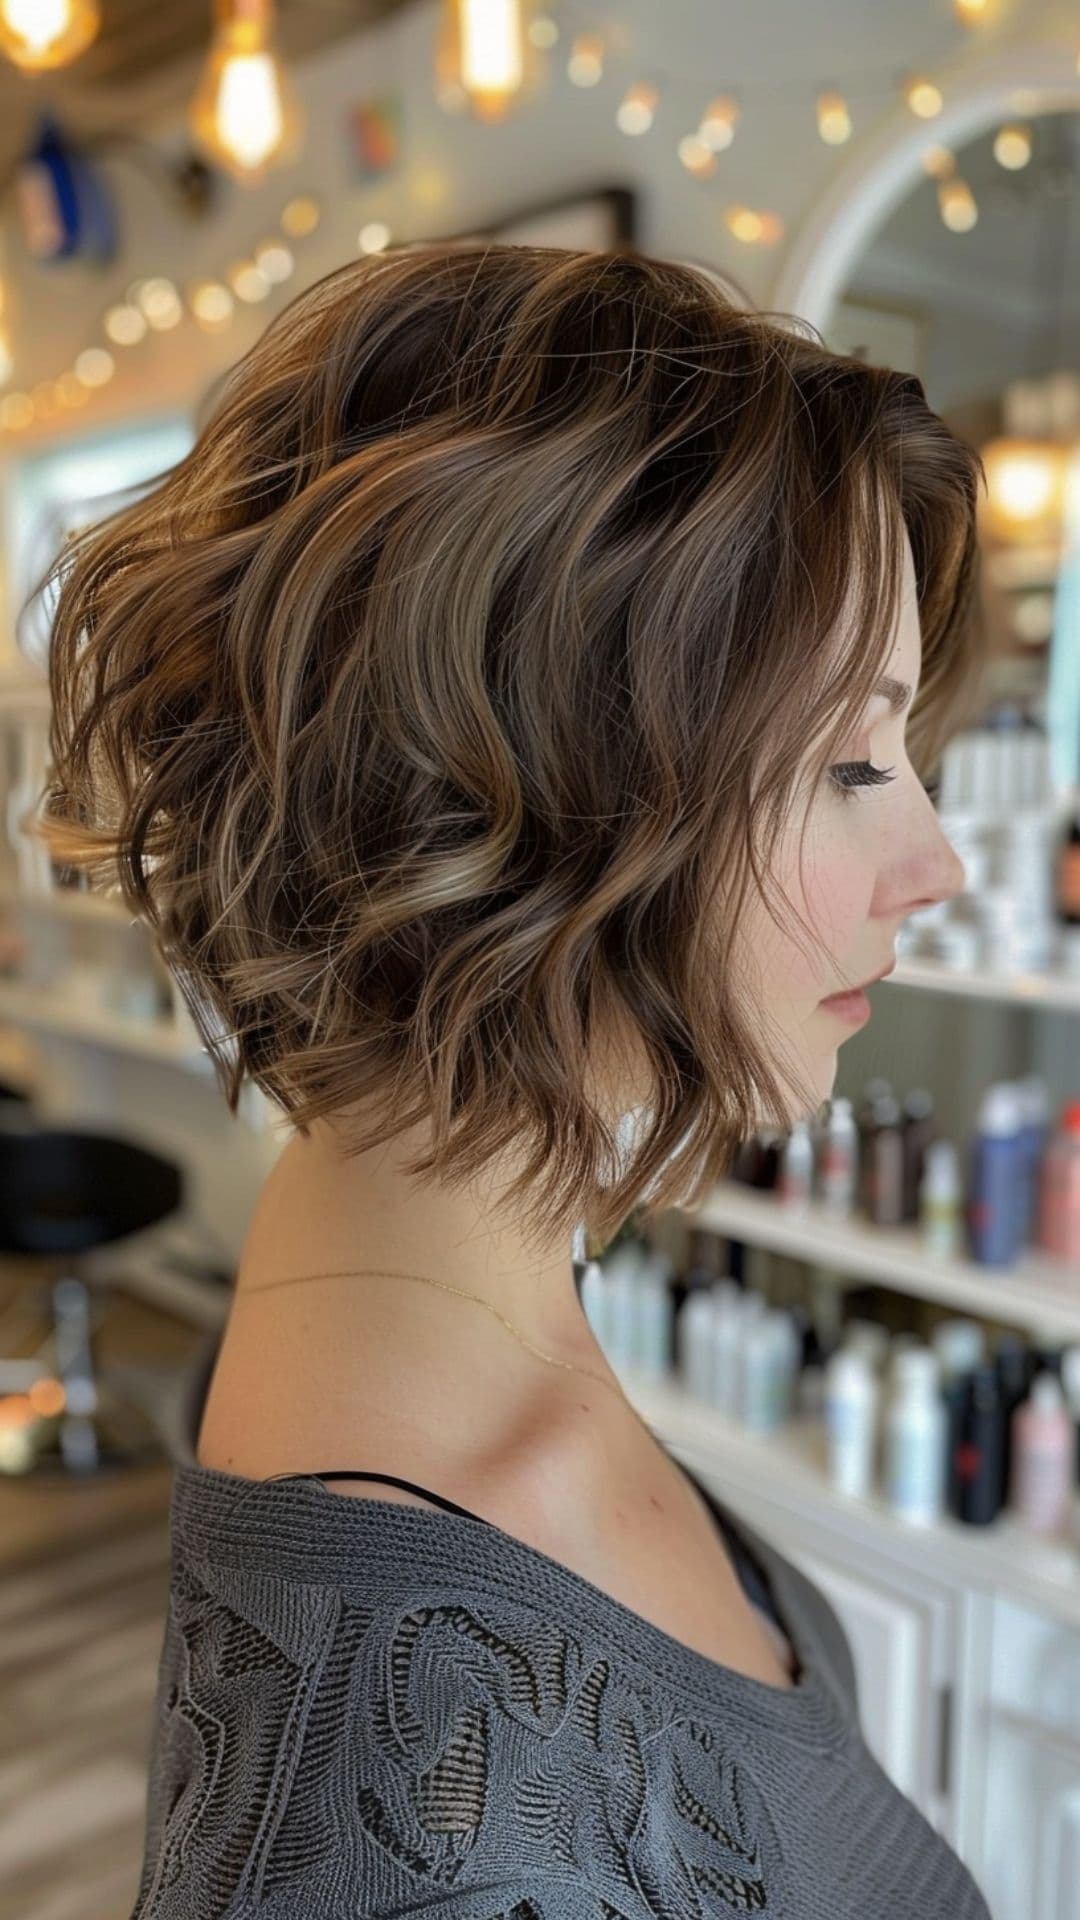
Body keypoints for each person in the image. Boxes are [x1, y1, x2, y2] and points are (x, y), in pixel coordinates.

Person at [33, 244, 992, 1918]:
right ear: (544, 785)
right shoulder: (417, 1809)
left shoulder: (388, 1292)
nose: (936, 862)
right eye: (850, 760)